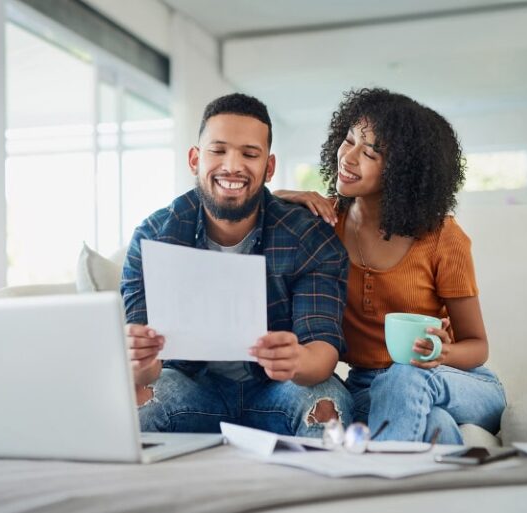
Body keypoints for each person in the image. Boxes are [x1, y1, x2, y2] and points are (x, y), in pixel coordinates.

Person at [276, 88, 506, 444]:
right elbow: (247, 216)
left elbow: (477, 346)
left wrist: (442, 352)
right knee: (437, 427)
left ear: (405, 172)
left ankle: (378, 484)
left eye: (370, 152)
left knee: (406, 374)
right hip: (369, 387)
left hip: (456, 380)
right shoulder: (324, 226)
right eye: (348, 140)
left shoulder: (442, 237)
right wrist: (278, 198)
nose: (349, 157)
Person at [121, 93, 353, 436]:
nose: (232, 165)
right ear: (194, 159)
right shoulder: (153, 237)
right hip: (192, 387)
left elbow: (321, 350)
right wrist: (138, 360)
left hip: (278, 391)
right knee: (135, 408)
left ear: (269, 167)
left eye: (249, 154)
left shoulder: (308, 236)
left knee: (327, 405)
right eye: (218, 150)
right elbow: (145, 373)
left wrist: (297, 361)